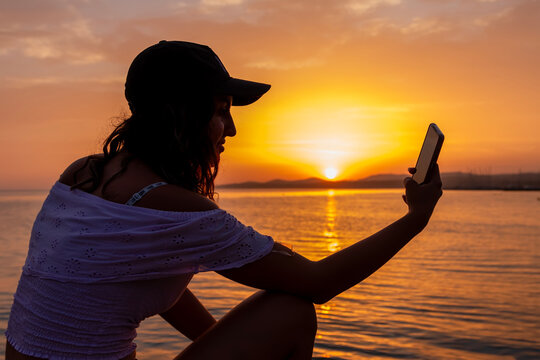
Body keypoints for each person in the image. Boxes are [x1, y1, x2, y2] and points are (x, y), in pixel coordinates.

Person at [4, 40, 443, 360]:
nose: (230, 129)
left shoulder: (83, 173)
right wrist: (414, 220)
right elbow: (318, 283)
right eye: (220, 111)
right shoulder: (175, 208)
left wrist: (227, 344)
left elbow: (141, 279)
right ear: (181, 115)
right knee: (291, 310)